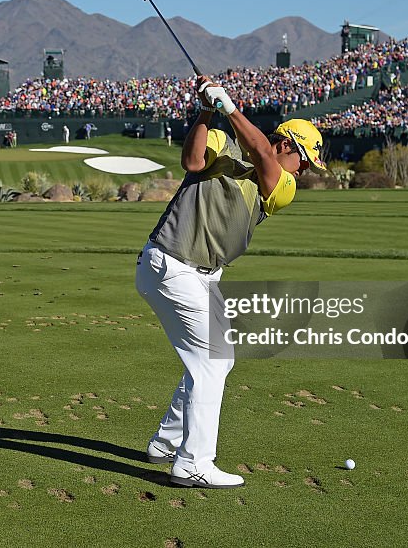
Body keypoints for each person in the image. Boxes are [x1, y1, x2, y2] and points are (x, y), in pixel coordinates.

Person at [135, 76, 327, 489]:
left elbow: (261, 153)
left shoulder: (283, 186)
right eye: (306, 160)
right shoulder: (226, 142)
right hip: (174, 264)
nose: (305, 171)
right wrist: (207, 109)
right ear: (288, 145)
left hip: (201, 275)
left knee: (214, 361)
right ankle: (193, 463)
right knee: (212, 363)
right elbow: (191, 162)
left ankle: (165, 443)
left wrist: (228, 105)